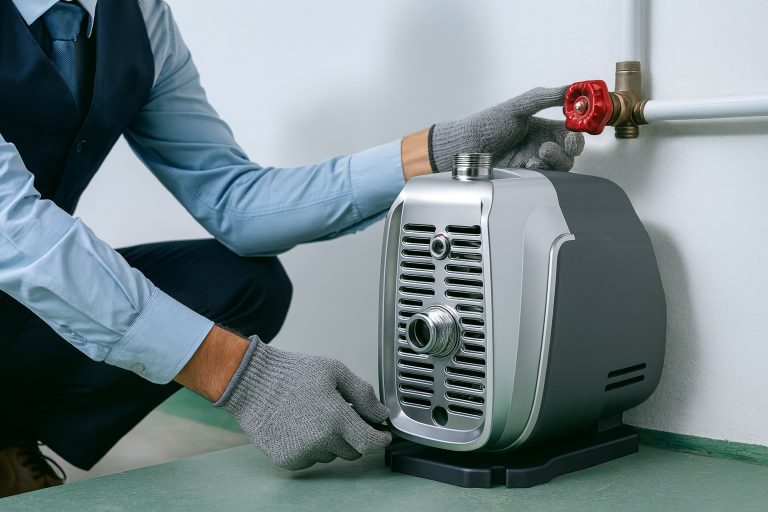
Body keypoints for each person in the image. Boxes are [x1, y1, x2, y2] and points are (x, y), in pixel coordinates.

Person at [0, 0, 584, 497]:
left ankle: (6, 436)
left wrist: (440, 153)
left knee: (241, 283)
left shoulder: (138, 16)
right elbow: (19, 234)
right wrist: (243, 376)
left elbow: (233, 200)